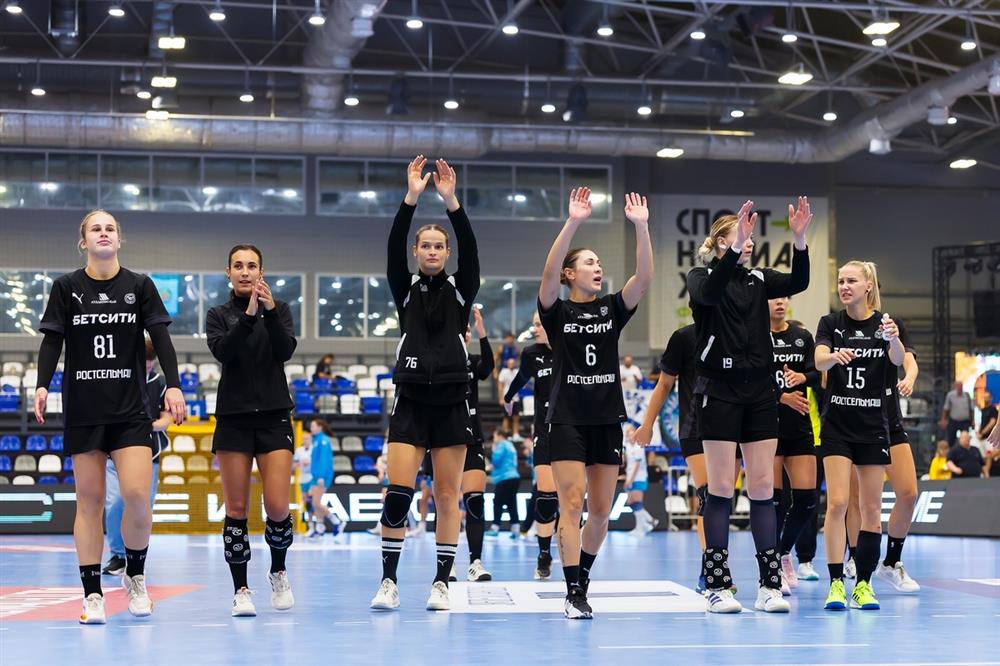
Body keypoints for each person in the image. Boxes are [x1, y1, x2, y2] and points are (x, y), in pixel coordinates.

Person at [34, 209, 186, 624]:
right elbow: (52, 342)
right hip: (84, 409)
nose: (103, 233)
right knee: (90, 501)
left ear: (119, 240)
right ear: (83, 241)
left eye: (110, 228)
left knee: (136, 495)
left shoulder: (139, 285)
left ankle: (135, 577)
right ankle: (92, 595)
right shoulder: (66, 287)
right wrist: (42, 384)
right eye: (95, 229)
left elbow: (162, 338)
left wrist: (174, 384)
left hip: (129, 409)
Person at [686, 197, 812, 614]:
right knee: (721, 489)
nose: (749, 242)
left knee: (762, 489)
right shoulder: (702, 276)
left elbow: (799, 281)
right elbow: (711, 294)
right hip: (719, 391)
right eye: (740, 236)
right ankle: (717, 585)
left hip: (759, 392)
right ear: (720, 242)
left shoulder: (759, 278)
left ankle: (769, 585)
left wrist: (799, 239)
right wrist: (735, 248)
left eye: (750, 236)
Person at [370, 155, 479, 613]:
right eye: (425, 246)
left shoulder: (461, 289)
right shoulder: (405, 289)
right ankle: (389, 582)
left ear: (446, 254)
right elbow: (393, 244)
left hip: (452, 400)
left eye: (439, 246)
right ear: (417, 253)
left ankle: (441, 583)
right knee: (398, 494)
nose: (432, 251)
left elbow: (471, 249)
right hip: (412, 399)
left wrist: (452, 202)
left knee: (448, 496)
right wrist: (411, 198)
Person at [539, 188, 653, 619]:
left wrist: (641, 226)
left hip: (606, 419)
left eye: (600, 263)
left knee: (601, 512)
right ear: (571, 274)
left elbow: (644, 277)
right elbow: (548, 274)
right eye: (589, 263)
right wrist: (573, 222)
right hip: (567, 417)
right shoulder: (557, 311)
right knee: (572, 504)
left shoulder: (611, 309)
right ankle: (572, 592)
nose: (598, 268)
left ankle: (582, 578)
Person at [207, 243, 298, 617]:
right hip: (233, 419)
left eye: (252, 266)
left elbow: (285, 350)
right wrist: (247, 315)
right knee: (237, 508)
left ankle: (278, 571)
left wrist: (269, 312)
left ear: (262, 272)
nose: (245, 272)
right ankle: (241, 589)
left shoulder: (281, 310)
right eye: (238, 266)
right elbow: (224, 353)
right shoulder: (218, 314)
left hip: (274, 417)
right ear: (228, 272)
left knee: (277, 506)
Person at [815, 260, 905, 612]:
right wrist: (833, 356)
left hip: (872, 427)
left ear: (868, 286)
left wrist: (893, 339)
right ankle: (836, 582)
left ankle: (863, 584)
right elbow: (819, 359)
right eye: (841, 281)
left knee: (871, 508)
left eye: (851, 280)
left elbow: (897, 359)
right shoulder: (831, 323)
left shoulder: (884, 323)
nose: (844, 286)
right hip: (838, 425)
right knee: (838, 502)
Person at [634, 322, 713, 591]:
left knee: (722, 499)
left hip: (731, 427)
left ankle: (717, 565)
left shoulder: (737, 332)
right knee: (709, 495)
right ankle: (711, 569)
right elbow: (665, 383)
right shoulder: (684, 337)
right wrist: (647, 425)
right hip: (695, 427)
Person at [103, 337, 172, 576]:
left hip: (149, 452)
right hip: (114, 451)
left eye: (150, 361)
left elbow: (166, 419)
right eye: (144, 360)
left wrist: (145, 426)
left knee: (142, 504)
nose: (147, 365)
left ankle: (135, 557)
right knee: (114, 503)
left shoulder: (160, 382)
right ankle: (117, 556)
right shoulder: (118, 378)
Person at [767, 297, 821, 596]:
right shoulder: (754, 335)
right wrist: (781, 396)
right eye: (773, 298)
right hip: (767, 426)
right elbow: (748, 377)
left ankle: (782, 552)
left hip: (799, 426)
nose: (780, 302)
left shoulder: (802, 337)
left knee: (808, 499)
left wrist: (803, 376)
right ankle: (771, 565)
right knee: (774, 502)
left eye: (783, 297)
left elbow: (818, 372)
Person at [869, 313, 921, 593]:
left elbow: (908, 361)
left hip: (890, 421)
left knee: (909, 493)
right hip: (856, 424)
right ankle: (856, 562)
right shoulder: (842, 324)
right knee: (861, 501)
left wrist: (909, 378)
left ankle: (890, 562)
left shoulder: (892, 323)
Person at [503, 310, 556, 580]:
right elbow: (522, 377)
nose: (534, 329)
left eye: (538, 324)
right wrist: (509, 396)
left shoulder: (571, 348)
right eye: (533, 324)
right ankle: (544, 554)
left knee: (572, 501)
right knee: (546, 496)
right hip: (544, 429)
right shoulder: (531, 353)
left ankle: (576, 557)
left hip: (573, 428)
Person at [457, 305, 494, 581]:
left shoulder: (472, 362)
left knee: (475, 501)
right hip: (444, 438)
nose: (465, 334)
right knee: (446, 502)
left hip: (472, 438)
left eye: (467, 330)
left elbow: (488, 368)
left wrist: (483, 334)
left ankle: (475, 562)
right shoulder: (438, 360)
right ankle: (446, 564)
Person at [488, 429, 522, 538]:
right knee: (511, 503)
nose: (494, 439)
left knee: (497, 502)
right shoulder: (510, 445)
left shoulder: (501, 445)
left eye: (494, 436)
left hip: (505, 478)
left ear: (499, 435)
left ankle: (495, 527)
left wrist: (493, 450)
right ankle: (516, 529)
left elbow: (496, 461)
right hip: (514, 477)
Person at [623, 427, 654, 535]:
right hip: (630, 477)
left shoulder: (639, 447)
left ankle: (640, 528)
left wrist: (630, 480)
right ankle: (648, 522)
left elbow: (637, 465)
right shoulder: (627, 447)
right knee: (630, 502)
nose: (630, 436)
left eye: (632, 434)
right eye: (628, 434)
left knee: (637, 502)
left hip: (639, 477)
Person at [306, 419, 335, 537]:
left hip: (321, 476)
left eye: (313, 426)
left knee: (316, 503)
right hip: (315, 476)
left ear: (320, 427)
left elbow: (323, 460)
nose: (311, 428)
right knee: (314, 503)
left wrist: (321, 476)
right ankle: (320, 527)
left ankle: (337, 521)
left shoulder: (324, 440)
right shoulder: (316, 440)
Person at [940, 380, 974, 447]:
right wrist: (943, 419)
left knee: (965, 439)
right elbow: (946, 408)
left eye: (961, 386)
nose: (960, 388)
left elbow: (971, 409)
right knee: (951, 439)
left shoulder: (967, 395)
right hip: (954, 421)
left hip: (965, 422)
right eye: (958, 386)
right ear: (955, 387)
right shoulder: (950, 395)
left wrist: (973, 420)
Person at [497, 357, 521, 435]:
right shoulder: (503, 372)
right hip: (506, 398)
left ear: (515, 364)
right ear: (507, 364)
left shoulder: (517, 372)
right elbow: (500, 386)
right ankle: (505, 433)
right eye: (510, 363)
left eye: (512, 363)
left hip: (516, 398)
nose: (511, 365)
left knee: (516, 417)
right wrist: (501, 398)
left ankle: (516, 434)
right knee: (506, 417)